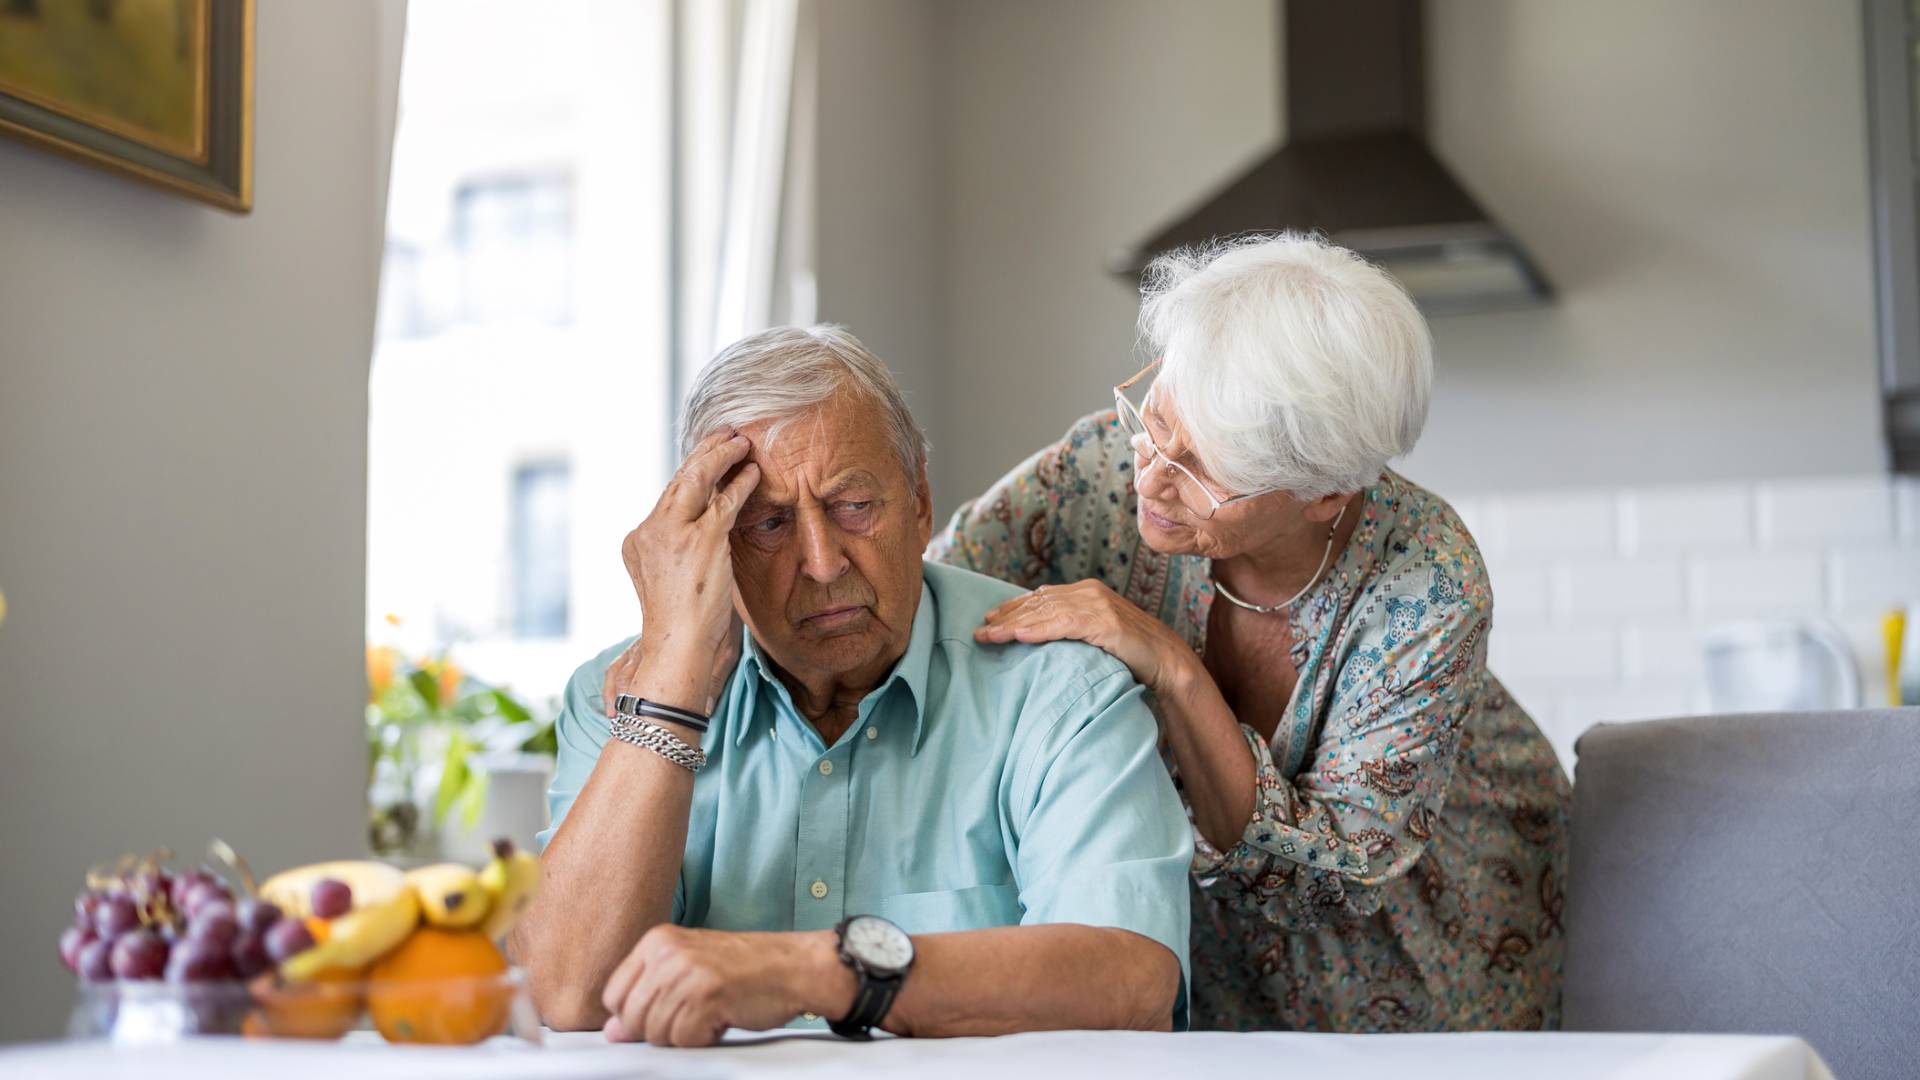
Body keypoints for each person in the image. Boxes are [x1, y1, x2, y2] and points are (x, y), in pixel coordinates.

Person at [929, 234, 1571, 1032]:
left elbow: (1324, 882)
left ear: (1326, 495)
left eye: (1207, 471)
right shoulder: (1095, 472)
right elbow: (926, 598)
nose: (1155, 473)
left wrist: (1172, 667)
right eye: (1155, 417)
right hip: (1199, 933)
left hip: (1421, 929)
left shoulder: (1432, 583)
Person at [517, 326, 1192, 1046]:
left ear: (922, 502)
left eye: (853, 506)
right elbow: (567, 992)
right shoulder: (621, 696)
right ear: (712, 547)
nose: (822, 562)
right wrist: (670, 687)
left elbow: (1131, 981)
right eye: (769, 523)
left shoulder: (1061, 690)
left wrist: (822, 971)